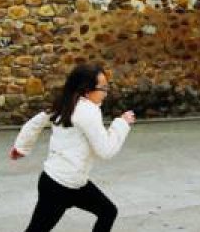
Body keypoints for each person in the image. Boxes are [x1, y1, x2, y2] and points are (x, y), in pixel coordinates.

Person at [11, 63, 136, 232]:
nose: (106, 92)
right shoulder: (88, 112)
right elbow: (106, 150)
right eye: (103, 88)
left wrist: (21, 147)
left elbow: (36, 122)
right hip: (59, 186)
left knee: (108, 211)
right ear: (87, 91)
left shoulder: (66, 102)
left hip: (68, 182)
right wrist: (122, 123)